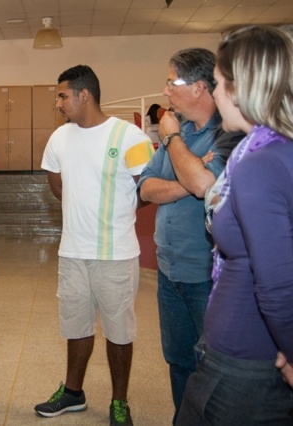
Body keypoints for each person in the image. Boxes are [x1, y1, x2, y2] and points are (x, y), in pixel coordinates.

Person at [177, 25, 293, 425]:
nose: (216, 93)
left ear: (243, 88)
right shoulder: (261, 151)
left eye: (221, 83)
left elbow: (276, 282)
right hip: (238, 357)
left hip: (245, 370)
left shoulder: (260, 164)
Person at [34, 65, 154, 426]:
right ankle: (73, 393)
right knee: (76, 326)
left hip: (115, 254)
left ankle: (119, 401)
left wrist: (119, 210)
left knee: (119, 331)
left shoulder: (129, 135)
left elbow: (146, 189)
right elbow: (57, 187)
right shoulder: (59, 139)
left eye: (62, 95)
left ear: (84, 95)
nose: (58, 103)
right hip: (72, 252)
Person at [138, 48, 243, 424]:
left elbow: (206, 185)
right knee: (179, 360)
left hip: (207, 275)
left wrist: (172, 146)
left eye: (172, 82)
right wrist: (190, 176)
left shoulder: (227, 134)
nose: (165, 91)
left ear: (199, 88)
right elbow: (146, 189)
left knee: (214, 365)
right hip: (169, 272)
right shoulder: (180, 132)